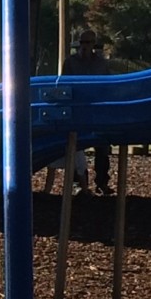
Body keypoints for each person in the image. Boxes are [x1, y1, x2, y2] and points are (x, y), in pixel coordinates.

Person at [62, 29, 113, 194]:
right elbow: (65, 84)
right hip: (78, 108)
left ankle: (102, 182)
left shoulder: (102, 63)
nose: (84, 46)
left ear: (93, 44)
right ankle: (79, 182)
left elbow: (107, 84)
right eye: (82, 42)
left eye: (88, 42)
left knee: (102, 146)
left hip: (97, 108)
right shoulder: (71, 62)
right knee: (77, 148)